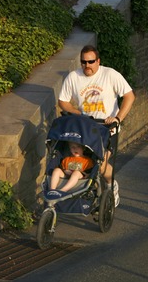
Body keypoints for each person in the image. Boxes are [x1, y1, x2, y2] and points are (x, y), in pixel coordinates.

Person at [58, 45, 135, 206]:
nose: (87, 65)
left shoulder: (110, 74)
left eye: (91, 61)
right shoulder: (73, 77)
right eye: (83, 62)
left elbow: (129, 96)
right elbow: (63, 101)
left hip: (107, 129)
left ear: (98, 61)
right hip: (85, 129)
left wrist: (117, 118)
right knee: (84, 163)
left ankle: (111, 184)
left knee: (100, 165)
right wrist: (76, 113)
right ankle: (87, 188)